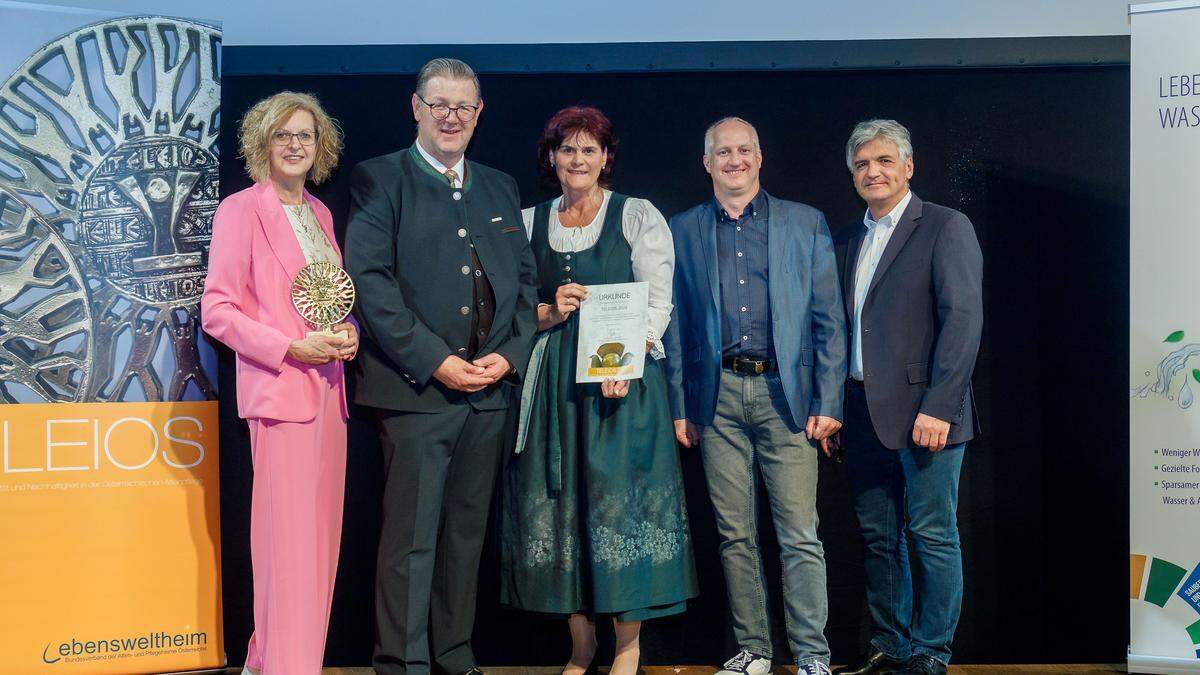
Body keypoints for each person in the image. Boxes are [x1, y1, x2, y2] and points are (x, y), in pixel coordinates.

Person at [343, 58, 538, 675]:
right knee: (411, 542)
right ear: (417, 108)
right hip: (417, 395)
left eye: (464, 106)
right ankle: (403, 664)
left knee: (463, 539)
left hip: (488, 395)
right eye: (439, 104)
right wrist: (437, 362)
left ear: (479, 114)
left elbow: (524, 283)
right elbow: (369, 285)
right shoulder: (380, 179)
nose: (452, 116)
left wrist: (509, 355)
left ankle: (455, 658)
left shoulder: (501, 186)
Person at [501, 106, 698, 675]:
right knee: (563, 505)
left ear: (606, 158)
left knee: (620, 503)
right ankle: (580, 645)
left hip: (620, 381)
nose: (578, 159)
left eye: (589, 150)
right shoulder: (529, 221)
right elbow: (513, 312)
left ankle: (628, 648)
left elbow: (658, 300)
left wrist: (627, 361)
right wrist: (545, 311)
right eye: (568, 150)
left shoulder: (636, 216)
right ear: (552, 159)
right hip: (554, 384)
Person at [662, 117, 847, 675]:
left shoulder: (804, 222)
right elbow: (673, 327)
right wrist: (679, 405)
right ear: (707, 163)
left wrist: (830, 400)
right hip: (714, 399)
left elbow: (828, 320)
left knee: (799, 535)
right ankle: (753, 651)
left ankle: (812, 654)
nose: (734, 160)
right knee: (734, 535)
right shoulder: (681, 229)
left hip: (785, 396)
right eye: (723, 152)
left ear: (760, 157)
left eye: (743, 150)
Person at [201, 91, 356, 675]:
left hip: (329, 394)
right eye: (284, 135)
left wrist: (347, 333)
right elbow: (217, 310)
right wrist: (289, 346)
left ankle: (281, 664)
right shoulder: (241, 210)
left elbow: (326, 300)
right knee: (287, 552)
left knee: (319, 553)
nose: (296, 145)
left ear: (321, 148)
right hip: (282, 393)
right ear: (261, 144)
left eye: (306, 136)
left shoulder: (319, 215)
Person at [832, 119, 982, 675]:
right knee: (878, 538)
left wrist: (940, 406)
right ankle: (890, 647)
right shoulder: (848, 237)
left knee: (931, 534)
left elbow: (963, 321)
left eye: (884, 161)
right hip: (860, 412)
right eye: (863, 165)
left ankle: (930, 651)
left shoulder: (945, 226)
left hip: (928, 415)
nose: (873, 172)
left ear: (908, 167)